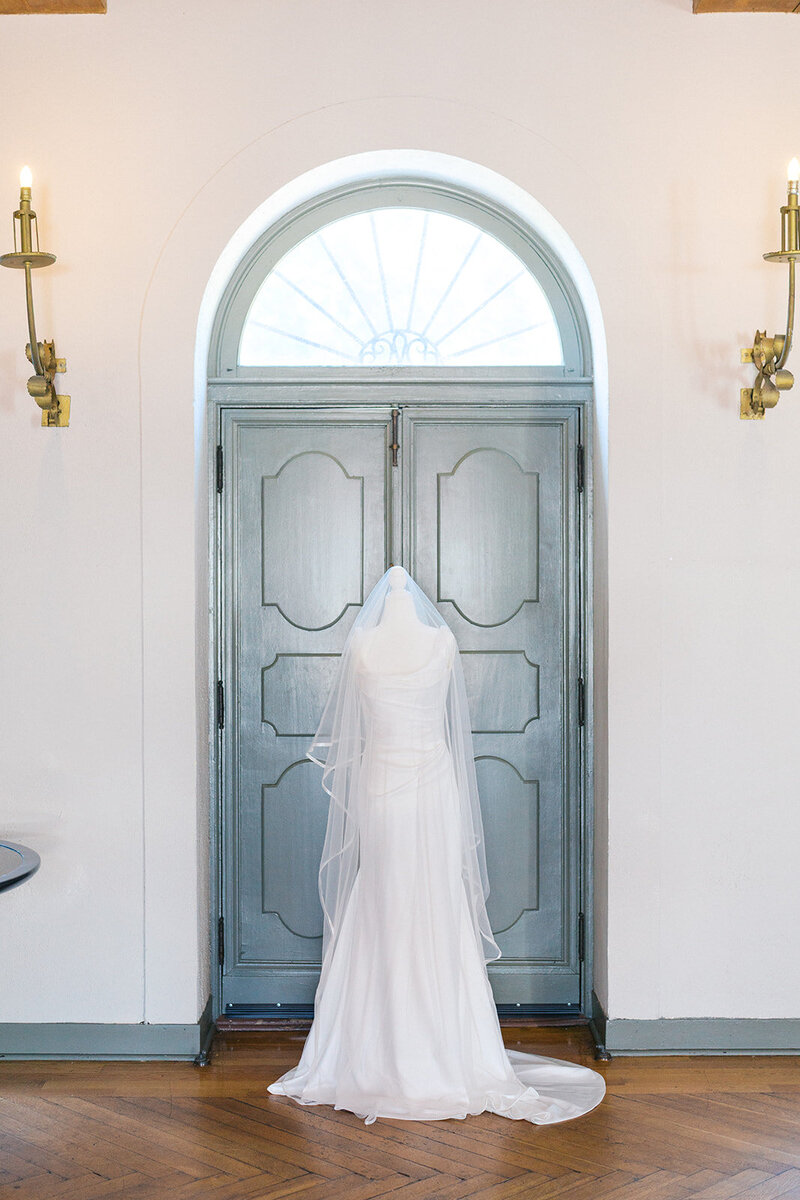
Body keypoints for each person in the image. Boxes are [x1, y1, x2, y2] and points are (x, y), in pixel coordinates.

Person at [268, 566, 606, 1125]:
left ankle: (383, 1053)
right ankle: (434, 1053)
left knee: (395, 900)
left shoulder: (370, 644)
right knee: (405, 899)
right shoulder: (438, 642)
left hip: (387, 783)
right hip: (423, 783)